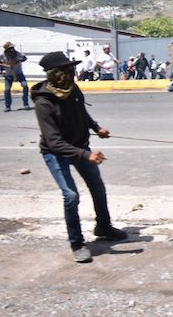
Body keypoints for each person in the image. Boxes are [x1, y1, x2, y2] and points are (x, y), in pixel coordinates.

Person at [31, 51, 127, 263]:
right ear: (56, 74)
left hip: (81, 147)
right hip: (56, 153)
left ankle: (104, 226)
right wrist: (86, 154)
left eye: (72, 69)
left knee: (98, 187)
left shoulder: (72, 89)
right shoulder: (44, 104)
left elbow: (82, 113)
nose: (72, 73)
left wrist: (97, 127)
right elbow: (54, 142)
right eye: (67, 70)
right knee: (71, 196)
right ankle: (76, 243)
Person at [0, 42, 30, 112]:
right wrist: (5, 65)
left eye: (12, 48)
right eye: (10, 48)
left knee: (25, 86)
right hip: (8, 74)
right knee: (7, 90)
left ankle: (26, 103)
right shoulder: (2, 55)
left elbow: (24, 58)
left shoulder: (17, 53)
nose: (12, 50)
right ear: (6, 49)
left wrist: (18, 60)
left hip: (18, 73)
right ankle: (7, 106)